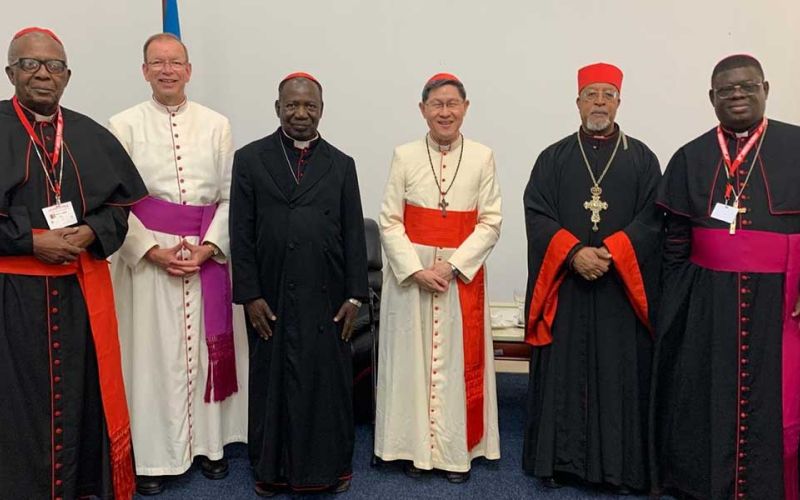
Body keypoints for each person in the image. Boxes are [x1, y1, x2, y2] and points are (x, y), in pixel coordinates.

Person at [0, 27, 147, 499]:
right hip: (12, 301)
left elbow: (120, 208)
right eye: (30, 64)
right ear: (10, 72)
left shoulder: (89, 134)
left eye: (53, 66)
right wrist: (29, 242)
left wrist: (92, 232)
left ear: (67, 76)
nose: (43, 74)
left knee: (82, 399)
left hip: (78, 297)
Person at [652, 54, 800, 500]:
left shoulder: (795, 145)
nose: (737, 94)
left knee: (777, 400)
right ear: (712, 97)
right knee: (704, 393)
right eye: (726, 90)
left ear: (766, 89)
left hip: (782, 299)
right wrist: (678, 302)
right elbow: (674, 239)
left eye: (746, 86)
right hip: (708, 299)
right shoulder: (691, 155)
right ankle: (706, 483)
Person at [108, 33, 247, 495]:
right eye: (157, 63)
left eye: (176, 62)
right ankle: (153, 457)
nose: (167, 70)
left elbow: (231, 197)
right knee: (153, 359)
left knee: (207, 354)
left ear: (189, 69)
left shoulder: (217, 124)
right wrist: (149, 250)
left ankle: (210, 447)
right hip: (150, 258)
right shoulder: (122, 124)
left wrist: (210, 247)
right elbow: (116, 201)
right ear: (144, 70)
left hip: (206, 254)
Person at [522, 63, 662, 494]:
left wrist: (614, 252)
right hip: (569, 288)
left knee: (618, 372)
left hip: (618, 293)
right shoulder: (554, 157)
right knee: (565, 371)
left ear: (619, 101)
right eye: (591, 94)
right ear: (578, 101)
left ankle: (618, 468)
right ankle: (559, 463)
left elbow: (654, 219)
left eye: (607, 94)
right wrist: (573, 252)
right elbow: (537, 212)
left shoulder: (642, 158)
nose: (599, 102)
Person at [230, 72, 368, 496]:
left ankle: (327, 470)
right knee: (272, 381)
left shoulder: (342, 165)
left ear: (322, 111)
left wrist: (355, 294)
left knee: (324, 383)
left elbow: (353, 234)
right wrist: (249, 295)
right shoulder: (250, 159)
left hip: (325, 295)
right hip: (270, 294)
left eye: (310, 106)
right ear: (277, 108)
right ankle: (272, 471)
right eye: (292, 105)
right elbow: (241, 231)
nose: (301, 114)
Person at [375, 73, 502, 483]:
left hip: (459, 277)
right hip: (411, 278)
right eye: (436, 104)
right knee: (409, 363)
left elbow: (491, 221)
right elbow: (390, 219)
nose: (445, 112)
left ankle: (454, 452)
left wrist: (449, 266)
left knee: (455, 365)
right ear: (423, 110)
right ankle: (407, 448)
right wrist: (416, 269)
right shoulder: (404, 154)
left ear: (466, 108)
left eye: (452, 104)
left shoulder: (483, 156)